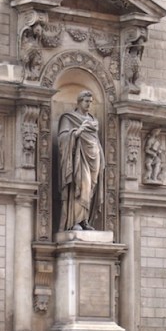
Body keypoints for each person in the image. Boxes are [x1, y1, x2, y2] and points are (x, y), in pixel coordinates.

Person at [57, 90, 105, 231]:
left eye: (91, 102)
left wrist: (101, 155)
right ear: (79, 102)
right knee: (82, 184)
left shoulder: (94, 121)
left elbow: (95, 140)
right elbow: (61, 139)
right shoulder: (68, 118)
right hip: (79, 156)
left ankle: (85, 220)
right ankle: (75, 221)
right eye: (86, 101)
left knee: (91, 188)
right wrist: (77, 132)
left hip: (94, 157)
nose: (89, 104)